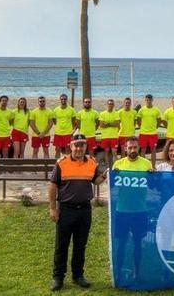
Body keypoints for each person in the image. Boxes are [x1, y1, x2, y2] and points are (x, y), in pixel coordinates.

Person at [49, 133, 107, 290]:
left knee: (80, 245)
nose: (79, 148)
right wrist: (53, 208)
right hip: (66, 210)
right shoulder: (62, 163)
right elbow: (53, 186)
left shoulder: (92, 163)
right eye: (76, 145)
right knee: (61, 245)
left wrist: (105, 174)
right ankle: (58, 277)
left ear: (86, 147)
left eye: (82, 145)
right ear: (71, 146)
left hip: (84, 211)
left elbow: (95, 180)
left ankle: (78, 275)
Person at [109, 135, 153, 282]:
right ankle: (119, 271)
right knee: (121, 243)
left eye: (135, 147)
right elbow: (113, 185)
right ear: (125, 149)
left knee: (138, 243)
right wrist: (109, 175)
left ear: (139, 147)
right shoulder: (118, 164)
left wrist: (154, 176)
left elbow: (153, 185)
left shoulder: (147, 164)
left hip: (140, 211)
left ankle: (137, 272)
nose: (133, 150)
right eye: (130, 148)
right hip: (122, 211)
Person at [136, 94, 161, 166]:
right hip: (143, 133)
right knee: (143, 150)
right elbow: (138, 120)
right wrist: (142, 127)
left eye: (149, 100)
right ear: (145, 100)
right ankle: (142, 165)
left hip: (153, 134)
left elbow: (159, 120)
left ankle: (153, 166)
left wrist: (155, 127)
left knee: (153, 150)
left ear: (152, 100)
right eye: (147, 100)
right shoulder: (141, 110)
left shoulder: (156, 110)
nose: (148, 101)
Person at [98, 99, 121, 168]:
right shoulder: (102, 114)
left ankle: (115, 168)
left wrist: (107, 123)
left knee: (114, 153)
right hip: (105, 137)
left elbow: (117, 124)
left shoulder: (116, 113)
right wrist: (111, 123)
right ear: (107, 105)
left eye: (112, 104)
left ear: (113, 105)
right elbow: (101, 125)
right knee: (107, 153)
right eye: (109, 104)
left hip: (114, 136)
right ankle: (108, 168)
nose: (110, 105)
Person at [52, 94, 76, 159]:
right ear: (60, 100)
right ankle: (56, 164)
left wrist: (72, 130)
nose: (63, 100)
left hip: (67, 133)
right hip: (58, 133)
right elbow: (54, 121)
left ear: (66, 100)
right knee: (57, 150)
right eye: (62, 99)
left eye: (65, 99)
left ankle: (67, 165)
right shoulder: (55, 110)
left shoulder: (71, 110)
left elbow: (74, 122)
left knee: (68, 150)